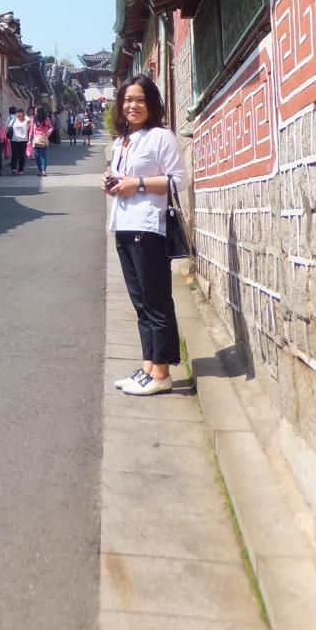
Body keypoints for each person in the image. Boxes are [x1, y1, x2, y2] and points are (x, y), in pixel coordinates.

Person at [102, 74, 188, 396]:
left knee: (156, 300)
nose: (132, 105)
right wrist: (111, 183)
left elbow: (178, 180)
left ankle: (162, 373)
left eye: (139, 99)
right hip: (124, 225)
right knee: (140, 302)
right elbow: (122, 179)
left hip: (149, 227)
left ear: (151, 103)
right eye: (127, 99)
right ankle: (148, 366)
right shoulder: (121, 141)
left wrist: (135, 184)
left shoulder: (161, 137)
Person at [30, 105, 54, 177]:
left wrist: (48, 132)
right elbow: (31, 129)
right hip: (36, 139)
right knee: (37, 155)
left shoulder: (46, 119)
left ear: (40, 112)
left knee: (43, 155)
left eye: (36, 111)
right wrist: (29, 139)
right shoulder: (34, 120)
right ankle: (40, 170)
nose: (34, 112)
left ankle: (44, 171)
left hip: (44, 138)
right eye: (34, 111)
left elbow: (51, 127)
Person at [9, 107, 30, 175]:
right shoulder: (13, 120)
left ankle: (20, 169)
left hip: (23, 140)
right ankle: (14, 169)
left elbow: (29, 121)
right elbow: (8, 127)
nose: (18, 114)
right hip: (14, 140)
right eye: (17, 113)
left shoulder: (25, 121)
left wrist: (25, 116)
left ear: (23, 113)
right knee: (14, 155)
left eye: (20, 113)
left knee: (22, 155)